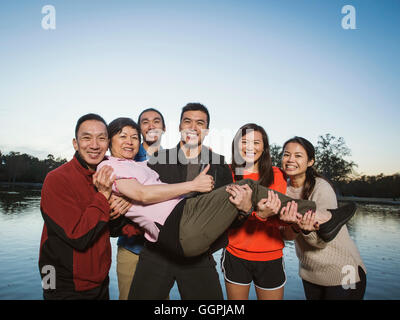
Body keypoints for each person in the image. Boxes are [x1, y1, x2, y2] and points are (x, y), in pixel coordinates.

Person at [128, 103, 234, 300]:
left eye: (199, 122)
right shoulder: (157, 161)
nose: (193, 127)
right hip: (157, 254)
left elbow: (227, 212)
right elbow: (138, 200)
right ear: (179, 127)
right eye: (188, 121)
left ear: (207, 130)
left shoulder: (218, 164)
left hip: (198, 257)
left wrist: (244, 210)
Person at [38, 113, 141, 300]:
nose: (94, 145)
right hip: (60, 282)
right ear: (75, 143)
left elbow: (108, 228)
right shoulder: (57, 179)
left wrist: (127, 205)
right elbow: (79, 236)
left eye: (101, 138)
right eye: (86, 138)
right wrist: (103, 195)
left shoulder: (106, 174)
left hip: (99, 280)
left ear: (108, 143)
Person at [280, 136, 367, 300]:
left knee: (319, 224)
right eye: (286, 154)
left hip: (343, 271)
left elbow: (320, 242)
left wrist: (306, 229)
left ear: (310, 161)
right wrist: (295, 226)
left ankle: (328, 217)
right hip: (311, 274)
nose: (291, 159)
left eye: (298, 155)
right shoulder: (282, 189)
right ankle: (327, 216)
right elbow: (286, 236)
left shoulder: (321, 187)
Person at [222, 123, 288, 300]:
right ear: (236, 145)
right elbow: (223, 214)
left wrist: (252, 213)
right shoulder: (227, 172)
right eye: (244, 141)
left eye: (256, 142)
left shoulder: (277, 175)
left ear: (264, 147)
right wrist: (258, 214)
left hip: (270, 256)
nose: (250, 147)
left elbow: (279, 217)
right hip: (235, 253)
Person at [116, 108, 166, 300]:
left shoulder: (174, 159)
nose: (151, 125)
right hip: (131, 247)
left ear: (164, 128)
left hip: (163, 251)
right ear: (139, 129)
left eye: (156, 121)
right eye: (145, 122)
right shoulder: (125, 155)